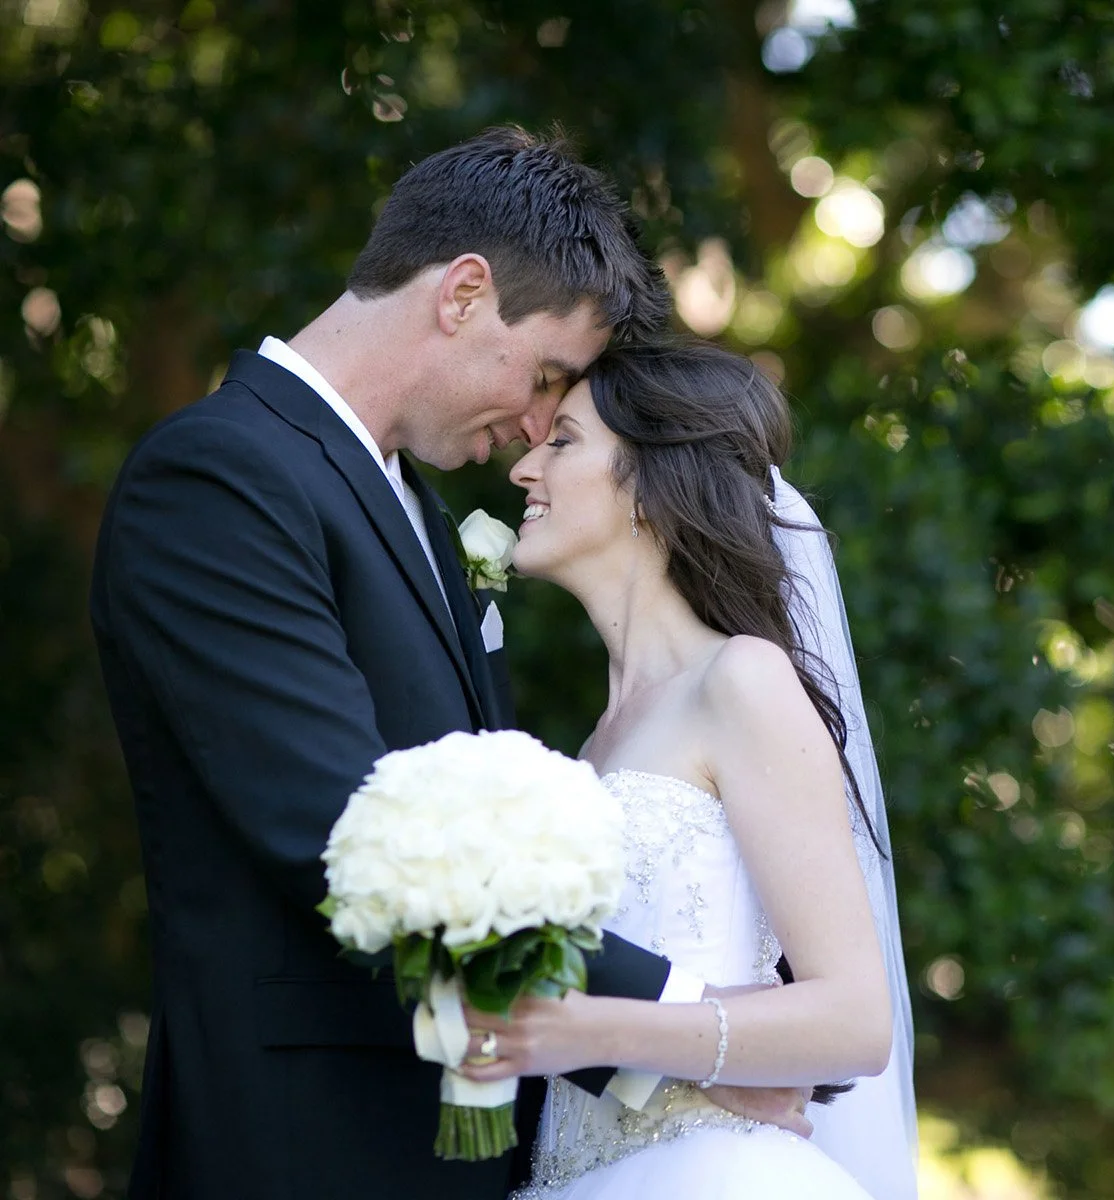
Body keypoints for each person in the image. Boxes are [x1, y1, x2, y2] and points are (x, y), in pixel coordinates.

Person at [88, 128, 804, 1200]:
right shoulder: (222, 476)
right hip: (305, 1145)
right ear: (464, 293)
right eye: (548, 374)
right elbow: (339, 829)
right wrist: (681, 1028)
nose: (534, 425)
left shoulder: (424, 512)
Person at [455, 341, 917, 1199]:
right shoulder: (583, 754)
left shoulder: (741, 679)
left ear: (650, 483)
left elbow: (855, 1018)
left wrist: (591, 1029)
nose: (524, 469)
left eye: (561, 441)